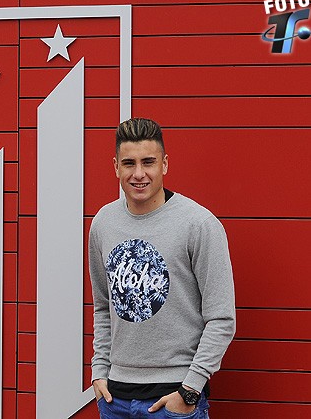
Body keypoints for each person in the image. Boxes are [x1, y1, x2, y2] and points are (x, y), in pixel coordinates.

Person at [88, 118, 235, 418]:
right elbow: (103, 307)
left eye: (149, 162)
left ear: (165, 164)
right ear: (115, 166)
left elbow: (221, 318)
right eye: (129, 163)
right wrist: (99, 371)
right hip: (115, 399)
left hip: (174, 400)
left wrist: (190, 390)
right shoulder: (103, 224)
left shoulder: (199, 224)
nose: (138, 174)